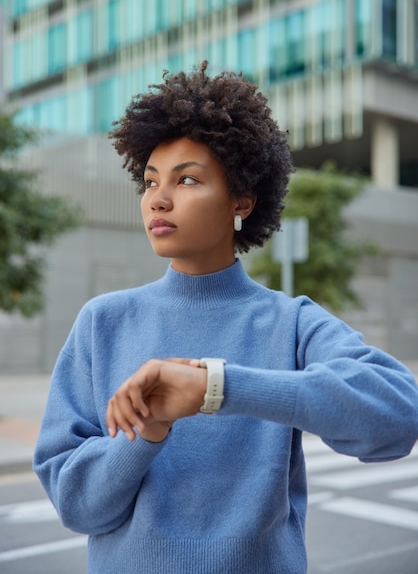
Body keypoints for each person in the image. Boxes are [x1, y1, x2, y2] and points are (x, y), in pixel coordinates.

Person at [34, 62, 418, 574]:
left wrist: (217, 386)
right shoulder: (103, 322)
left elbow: (398, 416)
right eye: (149, 183)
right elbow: (76, 505)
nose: (159, 199)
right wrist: (146, 432)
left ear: (242, 200)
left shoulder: (292, 323)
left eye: (187, 179)